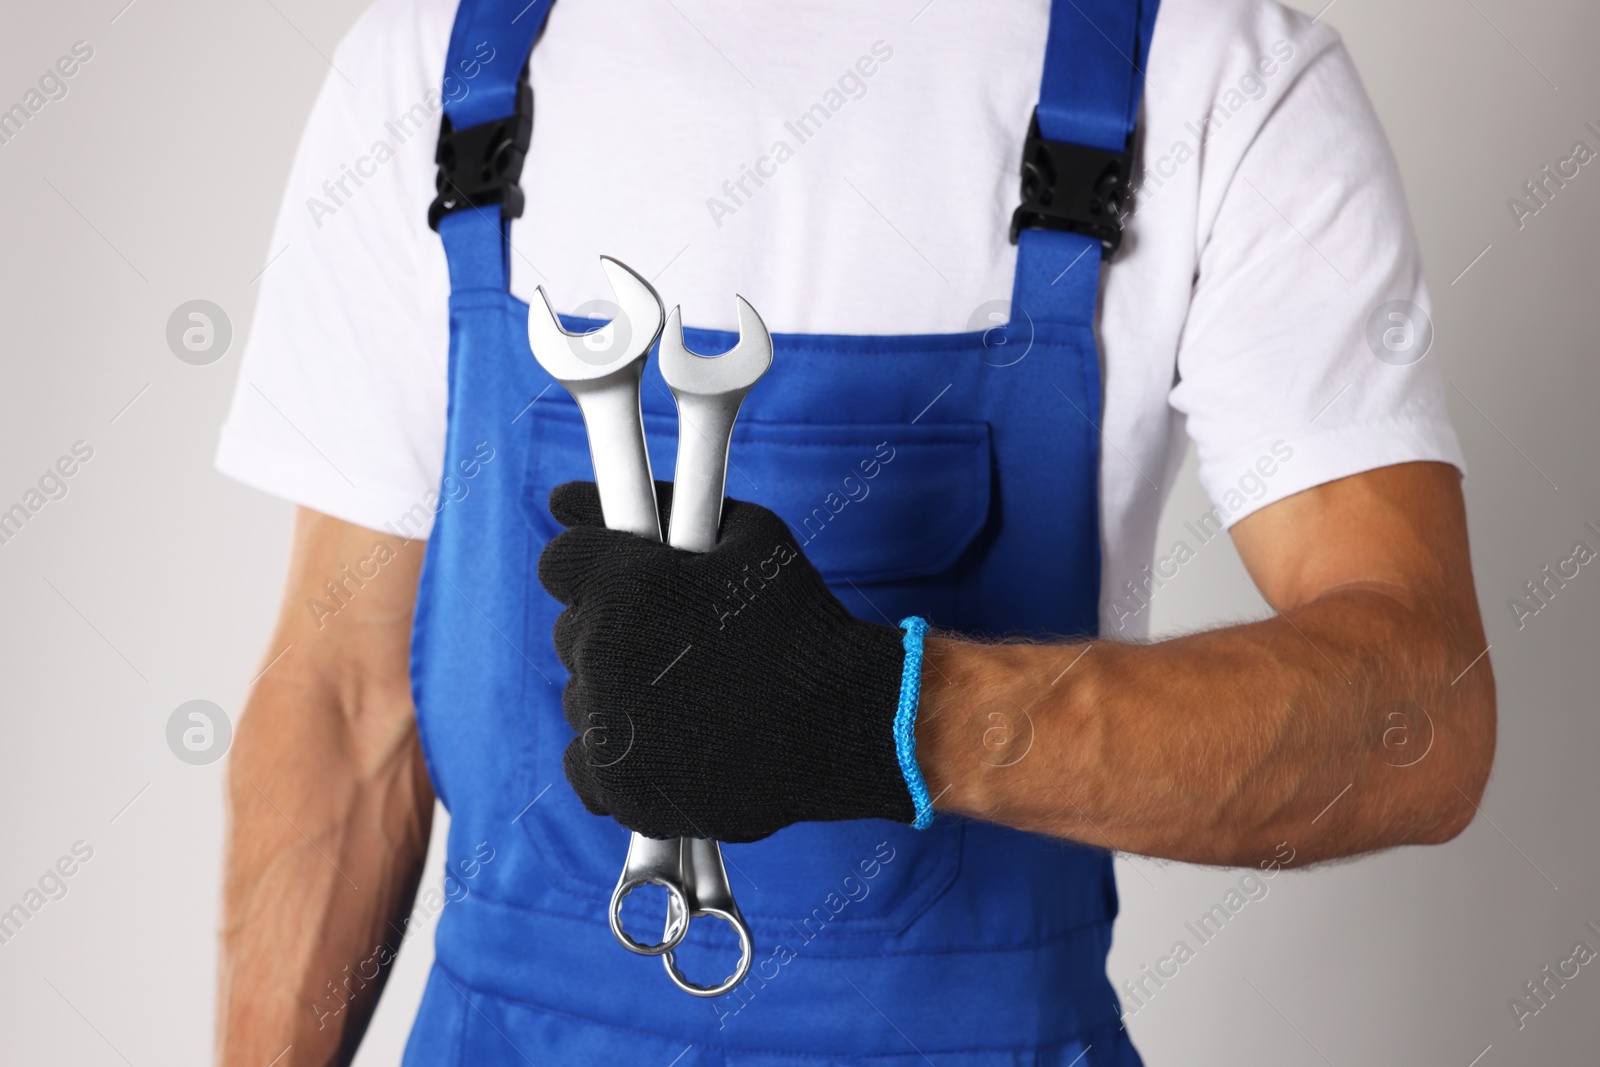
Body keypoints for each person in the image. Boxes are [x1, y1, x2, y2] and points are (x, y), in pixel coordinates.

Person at [212, 0, 1496, 1062]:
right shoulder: (443, 71)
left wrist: (893, 709)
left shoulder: (1209, 67)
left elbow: (1418, 716)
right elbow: (344, 704)